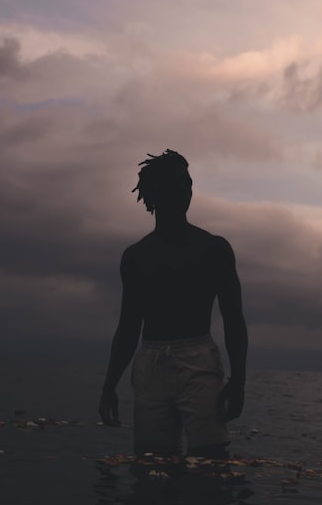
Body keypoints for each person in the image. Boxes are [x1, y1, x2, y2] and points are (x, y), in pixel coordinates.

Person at [98, 149, 248, 458]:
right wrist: (108, 385)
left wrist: (239, 382)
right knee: (152, 466)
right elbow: (128, 327)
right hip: (150, 362)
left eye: (188, 183)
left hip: (199, 360)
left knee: (210, 461)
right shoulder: (136, 257)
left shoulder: (213, 249)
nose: (184, 190)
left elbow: (234, 319)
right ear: (154, 190)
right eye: (175, 182)